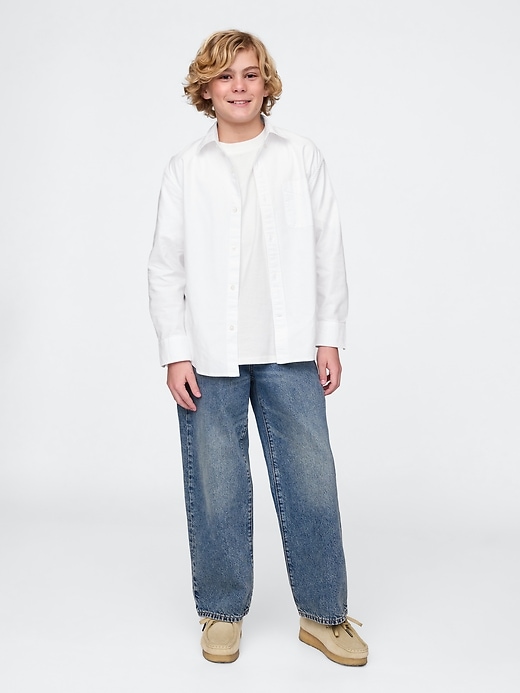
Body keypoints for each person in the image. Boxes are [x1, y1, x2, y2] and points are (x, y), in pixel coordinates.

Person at [148, 29, 368, 666]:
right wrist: (175, 350)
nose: (238, 86)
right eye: (225, 76)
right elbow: (165, 265)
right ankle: (221, 612)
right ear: (206, 90)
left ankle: (324, 615)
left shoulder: (300, 156)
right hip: (209, 355)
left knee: (311, 482)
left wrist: (329, 336)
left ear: (266, 83)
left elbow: (328, 250)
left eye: (249, 74)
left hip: (290, 348)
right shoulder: (186, 168)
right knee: (216, 486)